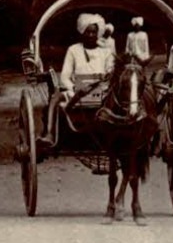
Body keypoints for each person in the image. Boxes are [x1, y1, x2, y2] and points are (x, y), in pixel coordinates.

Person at [40, 13, 117, 146]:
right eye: (88, 32)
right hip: (77, 92)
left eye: (94, 32)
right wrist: (73, 88)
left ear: (98, 33)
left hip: (102, 93)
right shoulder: (74, 50)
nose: (91, 35)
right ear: (82, 32)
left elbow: (110, 73)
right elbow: (65, 76)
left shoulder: (106, 52)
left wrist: (105, 80)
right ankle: (49, 134)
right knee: (55, 98)